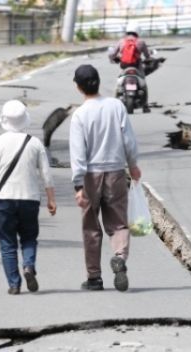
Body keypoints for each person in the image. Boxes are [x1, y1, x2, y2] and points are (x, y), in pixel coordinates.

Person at [69, 64, 142, 292]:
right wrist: (133, 165)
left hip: (91, 175)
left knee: (91, 226)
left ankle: (94, 278)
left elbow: (78, 153)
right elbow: (128, 140)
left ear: (78, 87)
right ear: (99, 82)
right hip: (115, 172)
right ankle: (119, 256)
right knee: (118, 222)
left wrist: (79, 185)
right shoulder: (116, 106)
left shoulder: (80, 115)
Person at [0, 100, 57, 295]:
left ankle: (14, 284)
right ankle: (28, 265)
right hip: (30, 199)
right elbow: (46, 174)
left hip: (5, 199)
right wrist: (51, 200)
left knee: (8, 243)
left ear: (4, 120)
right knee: (29, 238)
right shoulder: (35, 143)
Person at [108, 22, 152, 112]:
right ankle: (145, 106)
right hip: (137, 67)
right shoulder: (141, 42)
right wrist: (149, 59)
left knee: (118, 84)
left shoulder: (121, 41)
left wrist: (112, 58)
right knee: (144, 84)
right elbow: (147, 56)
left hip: (124, 67)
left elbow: (112, 54)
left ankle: (114, 104)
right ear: (138, 31)